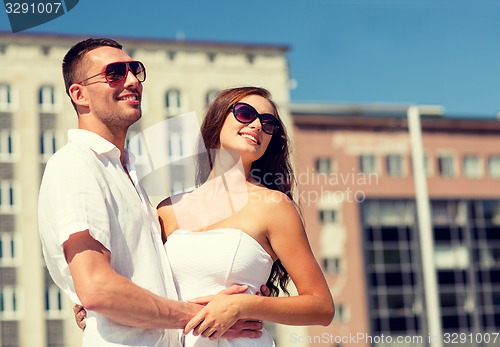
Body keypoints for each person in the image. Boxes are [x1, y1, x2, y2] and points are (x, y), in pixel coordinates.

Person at [38, 38, 264, 347]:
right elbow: (97, 288)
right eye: (114, 73)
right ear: (79, 94)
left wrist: (239, 295)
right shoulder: (75, 164)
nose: (132, 81)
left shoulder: (125, 172)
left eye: (135, 70)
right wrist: (202, 317)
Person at [156, 86, 335, 346]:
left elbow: (322, 306)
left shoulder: (274, 206)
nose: (257, 125)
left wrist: (243, 305)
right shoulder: (167, 210)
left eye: (268, 123)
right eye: (244, 113)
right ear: (217, 121)